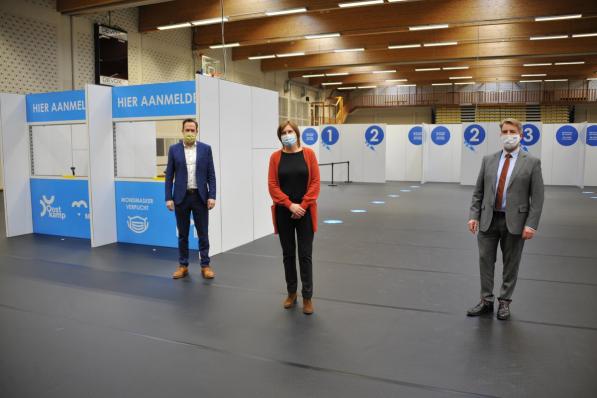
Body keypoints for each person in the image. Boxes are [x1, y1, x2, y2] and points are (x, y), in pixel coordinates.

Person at [467, 118, 544, 320]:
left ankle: (504, 302)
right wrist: (473, 215)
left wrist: (531, 225)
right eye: (505, 131)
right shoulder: (488, 160)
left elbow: (537, 198)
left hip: (516, 223)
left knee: (511, 263)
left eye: (512, 131)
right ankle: (486, 301)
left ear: (521, 135)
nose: (508, 135)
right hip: (488, 220)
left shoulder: (532, 163)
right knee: (485, 261)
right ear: (500, 135)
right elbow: (478, 192)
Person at [268, 121, 320, 315]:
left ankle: (307, 296)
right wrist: (290, 204)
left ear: (297, 134)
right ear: (280, 136)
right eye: (283, 132)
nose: (287, 134)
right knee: (288, 255)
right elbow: (272, 185)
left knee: (305, 255)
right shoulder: (275, 157)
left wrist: (302, 206)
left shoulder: (309, 155)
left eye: (290, 131)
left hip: (305, 212)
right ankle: (291, 293)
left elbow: (315, 183)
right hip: (284, 211)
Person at [165, 118, 216, 280]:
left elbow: (211, 175)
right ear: (182, 131)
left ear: (196, 131)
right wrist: (168, 197)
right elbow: (169, 176)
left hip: (200, 197)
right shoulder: (173, 150)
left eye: (192, 130)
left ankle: (205, 265)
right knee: (183, 234)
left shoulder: (206, 149)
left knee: (203, 233)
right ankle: (183, 265)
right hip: (181, 197)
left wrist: (212, 195)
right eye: (186, 130)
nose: (189, 133)